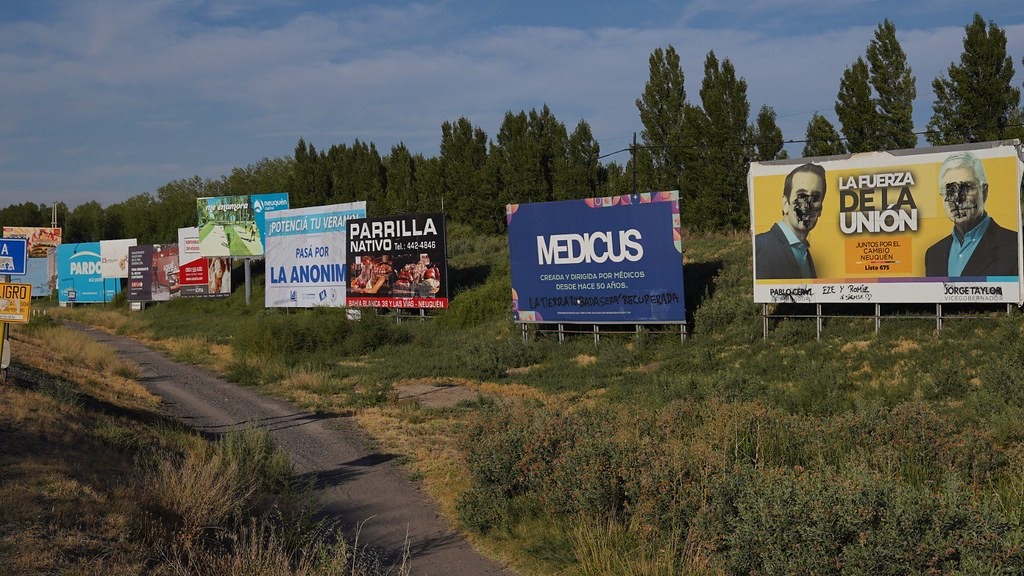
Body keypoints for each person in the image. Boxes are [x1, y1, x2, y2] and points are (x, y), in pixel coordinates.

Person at [924, 151, 1018, 277]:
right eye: (950, 190)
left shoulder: (1015, 246)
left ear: (984, 192)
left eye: (967, 188)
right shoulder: (933, 254)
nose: (957, 199)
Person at [754, 163, 827, 279]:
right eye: (801, 195)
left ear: (821, 208)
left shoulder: (804, 251)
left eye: (815, 198)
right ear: (785, 204)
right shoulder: (760, 246)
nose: (807, 205)